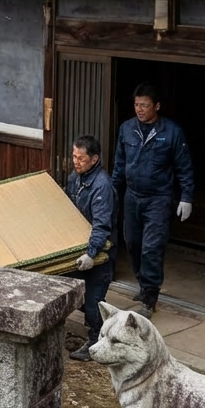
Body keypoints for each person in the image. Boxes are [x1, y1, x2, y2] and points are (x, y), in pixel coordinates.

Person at [111, 83, 195, 318]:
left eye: (145, 105)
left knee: (151, 247)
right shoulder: (127, 129)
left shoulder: (171, 132)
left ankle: (149, 295)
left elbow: (184, 167)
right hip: (132, 195)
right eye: (137, 104)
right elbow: (119, 163)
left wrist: (186, 197)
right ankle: (143, 283)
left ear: (157, 106)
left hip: (159, 197)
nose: (139, 109)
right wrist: (111, 191)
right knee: (132, 242)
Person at [65, 135, 117, 361]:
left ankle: (96, 342)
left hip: (98, 253)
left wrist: (91, 253)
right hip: (77, 246)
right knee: (77, 297)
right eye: (74, 157)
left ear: (94, 159)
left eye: (81, 158)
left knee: (94, 302)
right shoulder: (75, 178)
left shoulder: (101, 185)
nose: (76, 162)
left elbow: (101, 225)